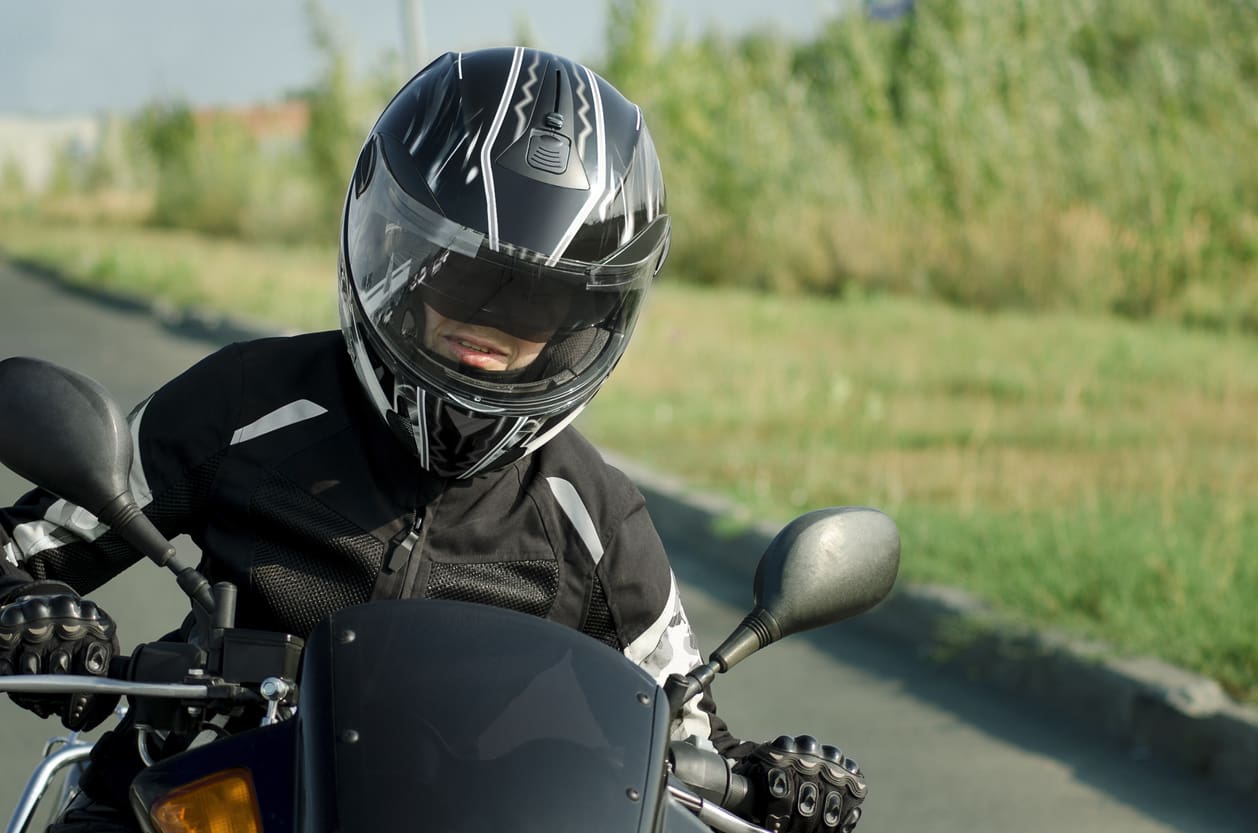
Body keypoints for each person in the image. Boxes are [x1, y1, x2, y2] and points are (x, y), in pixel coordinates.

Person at [0, 48, 865, 833]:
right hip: (205, 798)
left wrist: (766, 776)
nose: (489, 323)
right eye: (463, 276)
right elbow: (20, 549)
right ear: (402, 257)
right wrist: (31, 615)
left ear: (583, 320)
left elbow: (684, 725)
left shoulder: (594, 513)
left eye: (533, 300)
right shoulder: (244, 402)